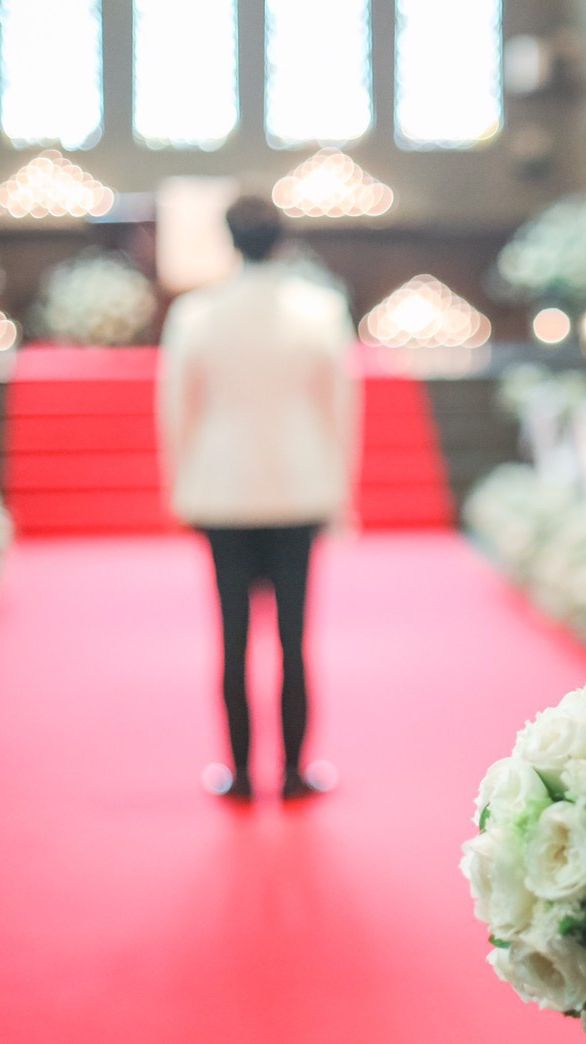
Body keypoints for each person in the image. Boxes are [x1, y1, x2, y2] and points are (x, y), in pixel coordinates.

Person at [157, 195, 358, 801]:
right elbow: (341, 409)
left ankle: (240, 773)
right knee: (294, 641)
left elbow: (176, 409)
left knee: (233, 639)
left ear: (229, 240)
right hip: (300, 488)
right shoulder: (320, 309)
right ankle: (295, 772)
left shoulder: (197, 313)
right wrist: (341, 492)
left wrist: (180, 487)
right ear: (283, 240)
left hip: (222, 491)